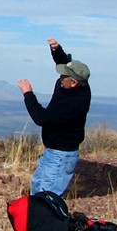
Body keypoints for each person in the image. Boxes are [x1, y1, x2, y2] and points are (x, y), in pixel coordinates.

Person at [17, 38, 92, 197]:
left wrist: (28, 94)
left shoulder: (72, 104)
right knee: (38, 186)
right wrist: (57, 50)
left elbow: (41, 118)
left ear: (73, 83)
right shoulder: (79, 85)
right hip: (53, 152)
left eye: (63, 76)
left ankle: (46, 219)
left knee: (48, 197)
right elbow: (65, 62)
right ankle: (34, 218)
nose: (60, 78)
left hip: (61, 156)